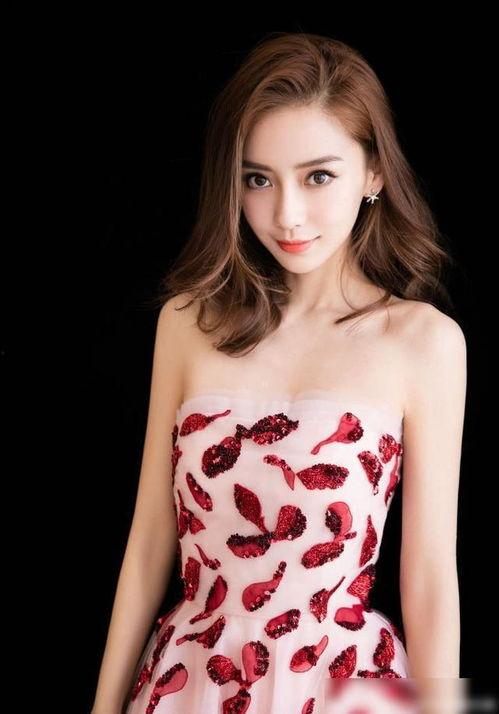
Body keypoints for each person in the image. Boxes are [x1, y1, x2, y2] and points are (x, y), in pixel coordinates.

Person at [90, 31, 467, 714]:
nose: (286, 214)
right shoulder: (188, 323)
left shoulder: (423, 343)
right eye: (257, 179)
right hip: (191, 681)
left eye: (318, 176)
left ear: (373, 174)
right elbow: (147, 546)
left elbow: (431, 580)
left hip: (346, 686)